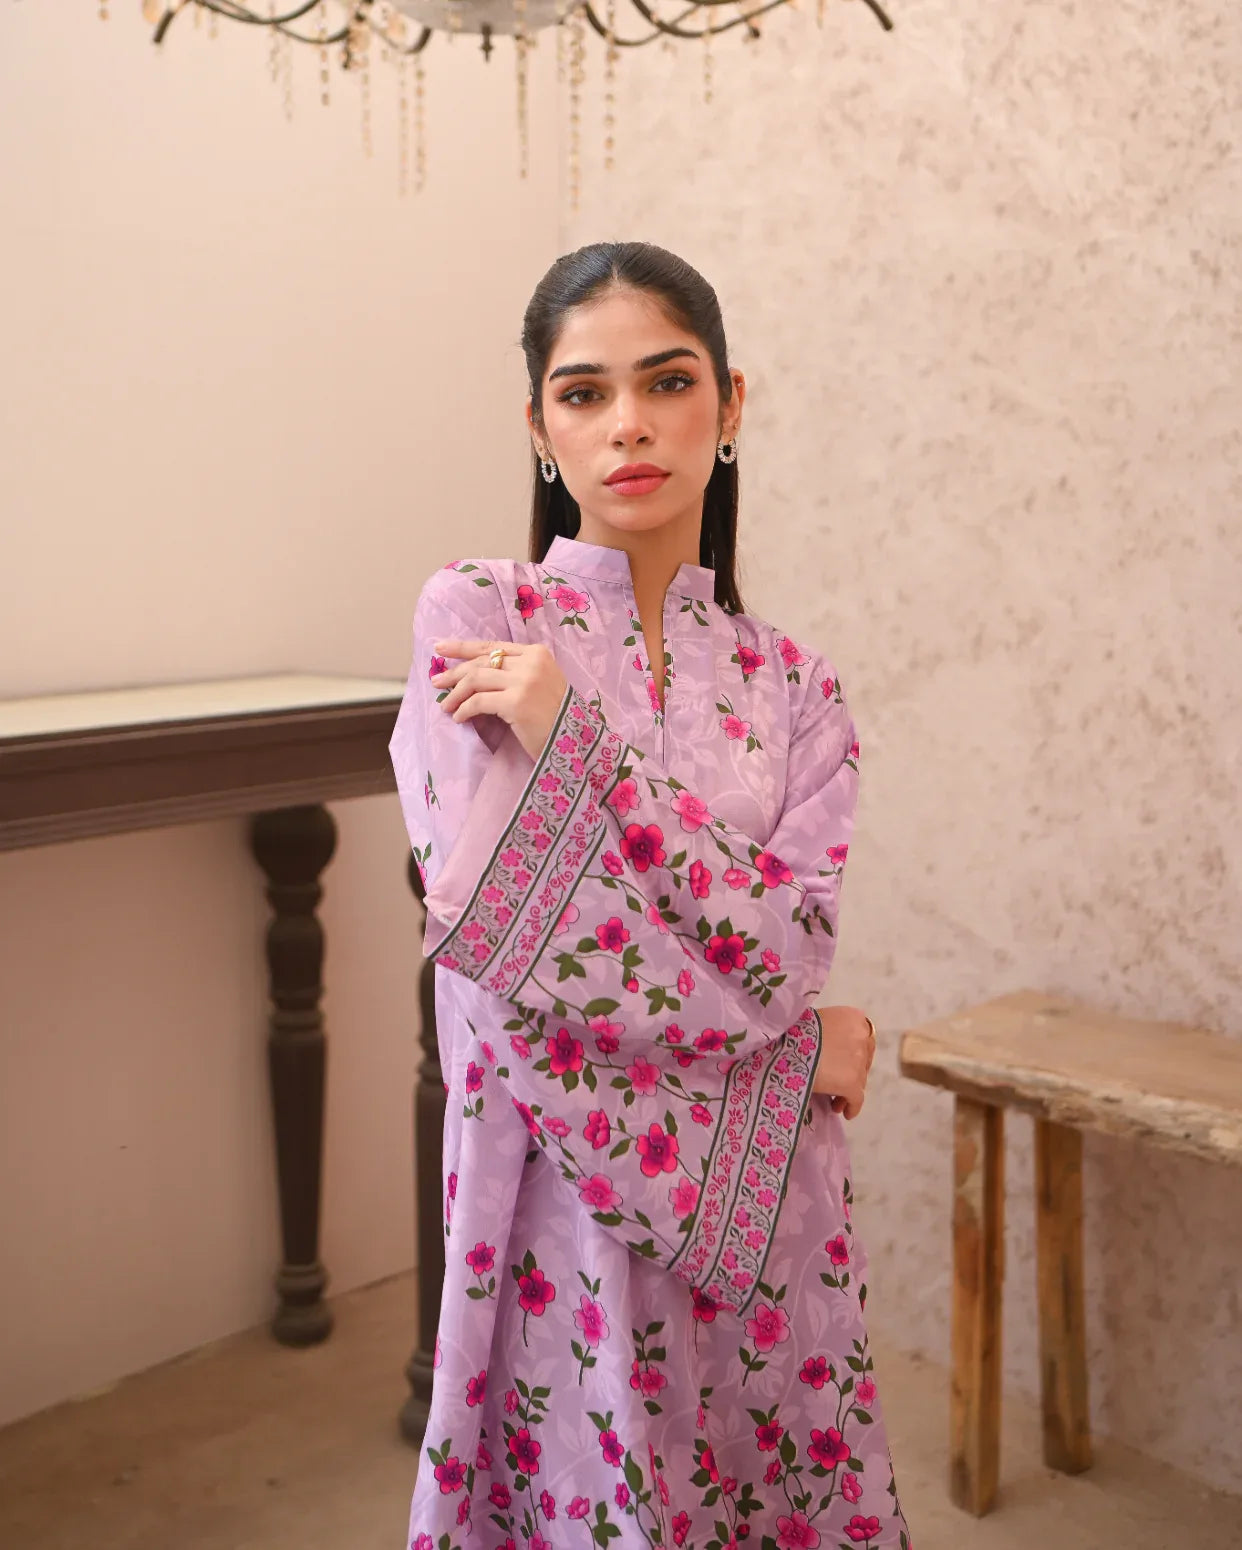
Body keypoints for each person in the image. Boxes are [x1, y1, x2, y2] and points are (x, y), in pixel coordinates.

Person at [388, 241, 913, 1550]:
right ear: (537, 425)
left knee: (759, 1477)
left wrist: (578, 756)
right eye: (581, 392)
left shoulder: (795, 686)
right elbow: (508, 960)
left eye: (665, 382)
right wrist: (792, 1059)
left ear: (728, 406)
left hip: (774, 1213)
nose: (625, 423)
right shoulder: (476, 617)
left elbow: (784, 953)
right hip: (552, 1192)